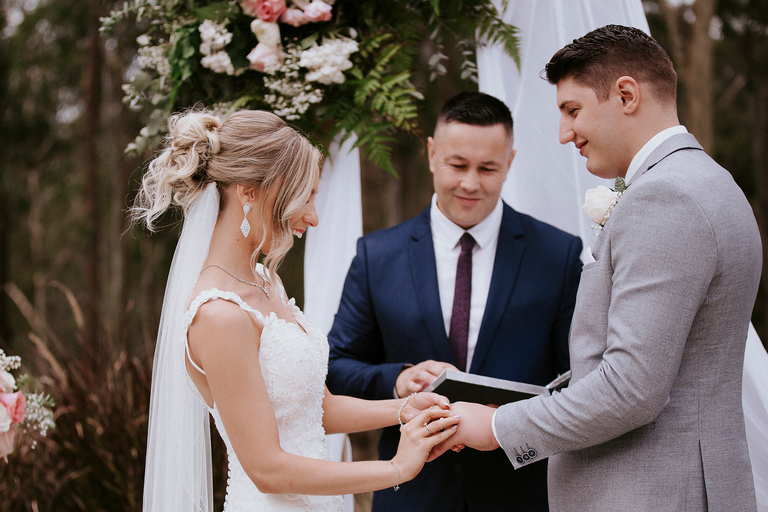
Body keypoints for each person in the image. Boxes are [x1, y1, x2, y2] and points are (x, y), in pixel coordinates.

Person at [432, 24, 762, 511]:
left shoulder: (664, 197)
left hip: (651, 494)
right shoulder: (708, 181)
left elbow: (630, 388)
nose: (564, 133)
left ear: (626, 95)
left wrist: (498, 427)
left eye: (573, 110)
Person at [134, 110, 460, 512]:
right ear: (248, 192)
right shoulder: (219, 315)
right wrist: (396, 468)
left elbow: (318, 407)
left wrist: (405, 409)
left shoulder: (266, 282)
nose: (313, 216)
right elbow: (266, 469)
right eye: (304, 196)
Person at [326, 92, 583, 511]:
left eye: (487, 168)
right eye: (458, 165)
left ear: (510, 162)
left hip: (521, 494)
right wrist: (398, 379)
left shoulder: (557, 255)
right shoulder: (378, 255)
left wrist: (510, 420)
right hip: (413, 494)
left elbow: (579, 378)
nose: (470, 183)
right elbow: (336, 368)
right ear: (432, 154)